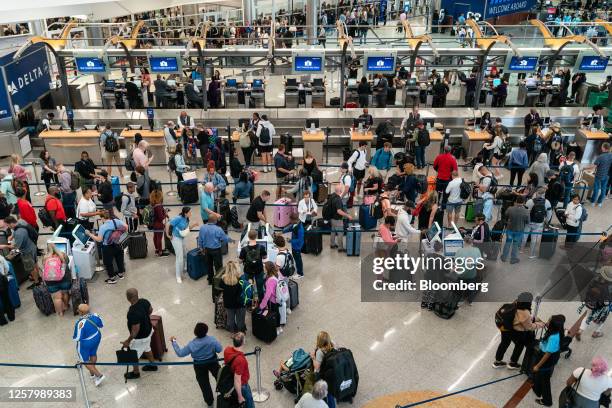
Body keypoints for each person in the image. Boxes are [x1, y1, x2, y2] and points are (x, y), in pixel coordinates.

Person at [170, 322, 222, 407]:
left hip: (199, 364)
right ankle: (224, 393)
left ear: (195, 332)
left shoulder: (192, 345)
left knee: (204, 383)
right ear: (206, 331)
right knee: (219, 377)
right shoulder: (212, 340)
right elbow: (219, 349)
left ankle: (209, 401)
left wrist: (174, 341)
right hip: (212, 361)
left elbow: (180, 353)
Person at [493, 292, 546, 369]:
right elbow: (529, 327)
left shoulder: (515, 303)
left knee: (504, 343)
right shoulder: (525, 312)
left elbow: (519, 316)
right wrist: (541, 324)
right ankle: (513, 363)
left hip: (505, 328)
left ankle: (497, 362)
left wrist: (533, 318)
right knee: (519, 345)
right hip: (516, 331)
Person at [122, 288, 158, 379]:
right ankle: (153, 365)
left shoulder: (132, 312)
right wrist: (144, 317)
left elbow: (135, 331)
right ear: (137, 295)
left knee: (134, 356)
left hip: (140, 338)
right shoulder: (144, 301)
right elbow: (151, 310)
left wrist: (127, 341)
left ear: (128, 298)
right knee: (147, 348)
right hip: (149, 331)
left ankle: (136, 373)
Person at [531, 314, 565, 407]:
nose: (547, 322)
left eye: (549, 321)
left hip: (547, 358)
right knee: (539, 375)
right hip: (544, 353)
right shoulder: (556, 330)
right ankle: (537, 390)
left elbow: (548, 354)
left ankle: (547, 401)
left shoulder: (554, 337)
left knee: (545, 379)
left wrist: (538, 366)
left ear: (553, 325)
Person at [86, 211, 127, 284]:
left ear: (102, 218)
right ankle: (121, 274)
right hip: (118, 244)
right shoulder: (116, 221)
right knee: (119, 259)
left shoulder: (103, 227)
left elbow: (99, 239)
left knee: (108, 263)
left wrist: (90, 234)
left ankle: (112, 278)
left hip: (108, 247)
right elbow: (126, 226)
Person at [73, 304, 105, 386]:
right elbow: (101, 325)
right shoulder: (95, 315)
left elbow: (77, 338)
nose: (77, 310)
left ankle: (99, 375)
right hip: (97, 337)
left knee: (84, 360)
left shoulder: (80, 323)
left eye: (78, 310)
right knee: (93, 353)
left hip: (86, 343)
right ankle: (92, 372)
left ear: (81, 312)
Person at [223, 332, 254, 408]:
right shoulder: (240, 360)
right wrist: (240, 397)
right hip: (242, 384)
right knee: (249, 401)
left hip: (231, 377)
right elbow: (237, 380)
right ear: (243, 342)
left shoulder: (227, 349)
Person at [198, 214, 230, 286]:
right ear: (215, 221)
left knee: (209, 265)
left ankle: (210, 280)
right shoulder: (218, 229)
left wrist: (201, 248)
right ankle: (218, 281)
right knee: (218, 266)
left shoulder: (202, 227)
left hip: (206, 250)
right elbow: (224, 239)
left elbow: (200, 239)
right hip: (216, 250)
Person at [168, 207, 198, 284]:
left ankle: (184, 268)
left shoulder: (187, 219)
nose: (191, 213)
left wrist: (194, 225)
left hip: (182, 237)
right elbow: (171, 225)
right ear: (185, 213)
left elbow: (186, 229)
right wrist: (170, 234)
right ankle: (178, 276)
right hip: (176, 238)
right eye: (190, 212)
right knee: (179, 257)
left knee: (185, 253)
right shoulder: (178, 218)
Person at [42, 243, 72, 315]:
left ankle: (60, 312)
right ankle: (66, 306)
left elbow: (44, 268)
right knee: (65, 293)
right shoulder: (63, 255)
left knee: (57, 298)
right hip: (64, 279)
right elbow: (67, 263)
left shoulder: (45, 258)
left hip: (51, 281)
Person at [522, 188, 552, 259]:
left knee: (524, 235)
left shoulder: (530, 201)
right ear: (544, 194)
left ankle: (521, 250)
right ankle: (531, 254)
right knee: (534, 238)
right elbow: (549, 214)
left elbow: (525, 212)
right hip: (539, 223)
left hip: (529, 222)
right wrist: (546, 221)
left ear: (536, 193)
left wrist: (525, 220)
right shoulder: (547, 202)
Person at [221, 261, 248, 333]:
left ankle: (232, 332)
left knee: (230, 319)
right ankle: (241, 332)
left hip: (228, 303)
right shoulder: (240, 280)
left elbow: (221, 288)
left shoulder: (223, 279)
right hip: (239, 304)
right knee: (240, 319)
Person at [501, 196, 529, 264]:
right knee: (515, 244)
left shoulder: (510, 209)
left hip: (510, 229)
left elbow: (505, 215)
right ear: (524, 202)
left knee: (508, 242)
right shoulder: (526, 211)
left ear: (516, 201)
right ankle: (513, 259)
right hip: (519, 230)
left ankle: (504, 257)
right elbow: (528, 221)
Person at [239, 229, 266, 300]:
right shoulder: (261, 247)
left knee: (248, 287)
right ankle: (261, 302)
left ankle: (249, 302)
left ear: (248, 236)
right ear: (256, 236)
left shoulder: (244, 249)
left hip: (248, 271)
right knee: (260, 288)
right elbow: (264, 257)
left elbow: (240, 261)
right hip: (259, 270)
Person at [311, 331, 337, 408]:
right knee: (331, 391)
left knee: (328, 394)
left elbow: (317, 367)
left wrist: (313, 358)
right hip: (332, 371)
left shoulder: (320, 352)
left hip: (324, 376)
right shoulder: (333, 344)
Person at [328, 184, 353, 253]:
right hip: (337, 219)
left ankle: (332, 244)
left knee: (333, 231)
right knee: (340, 233)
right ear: (340, 191)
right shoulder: (338, 199)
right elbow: (339, 211)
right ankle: (340, 248)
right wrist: (347, 215)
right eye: (341, 189)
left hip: (332, 218)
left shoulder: (332, 196)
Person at [259, 261, 282, 335]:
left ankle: (277, 327)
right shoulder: (275, 274)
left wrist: (262, 305)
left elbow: (268, 295)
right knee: (277, 312)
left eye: (264, 268)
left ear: (268, 269)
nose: (263, 269)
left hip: (273, 301)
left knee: (274, 314)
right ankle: (279, 327)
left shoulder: (270, 280)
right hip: (278, 298)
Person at [589, 142, 612, 207]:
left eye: (602, 146)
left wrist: (585, 168)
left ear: (604, 148)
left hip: (599, 175)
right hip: (607, 175)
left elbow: (594, 167)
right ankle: (599, 203)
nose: (601, 148)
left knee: (596, 189)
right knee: (603, 189)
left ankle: (593, 202)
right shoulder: (611, 155)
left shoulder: (600, 157)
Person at [282, 213, 304, 279]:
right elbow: (290, 228)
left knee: (298, 260)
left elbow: (300, 240)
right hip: (294, 245)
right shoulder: (295, 224)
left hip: (297, 246)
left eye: (291, 220)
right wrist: (282, 232)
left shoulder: (300, 229)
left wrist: (291, 241)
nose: (290, 221)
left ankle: (300, 273)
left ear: (294, 220)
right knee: (296, 258)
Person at [149, 190, 169, 257]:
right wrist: (165, 214)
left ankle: (157, 249)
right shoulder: (159, 206)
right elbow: (161, 218)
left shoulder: (153, 205)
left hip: (154, 223)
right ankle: (160, 252)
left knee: (155, 236)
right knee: (159, 238)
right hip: (159, 224)